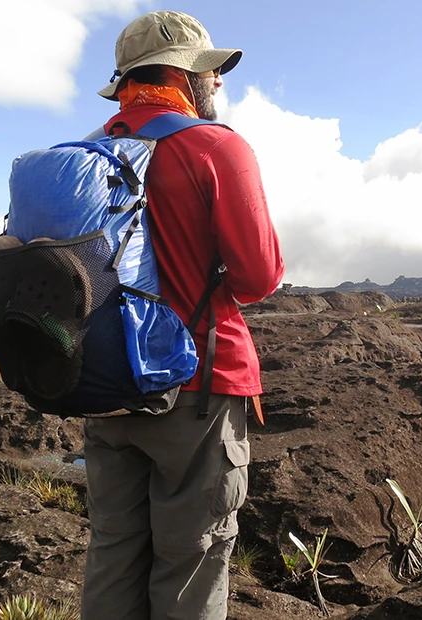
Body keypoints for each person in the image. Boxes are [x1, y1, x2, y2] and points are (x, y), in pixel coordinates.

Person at [79, 10, 284, 620]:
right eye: (209, 71)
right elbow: (258, 276)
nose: (217, 82)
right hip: (196, 387)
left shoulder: (84, 156)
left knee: (114, 552)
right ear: (181, 74)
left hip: (103, 385)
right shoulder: (215, 146)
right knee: (192, 559)